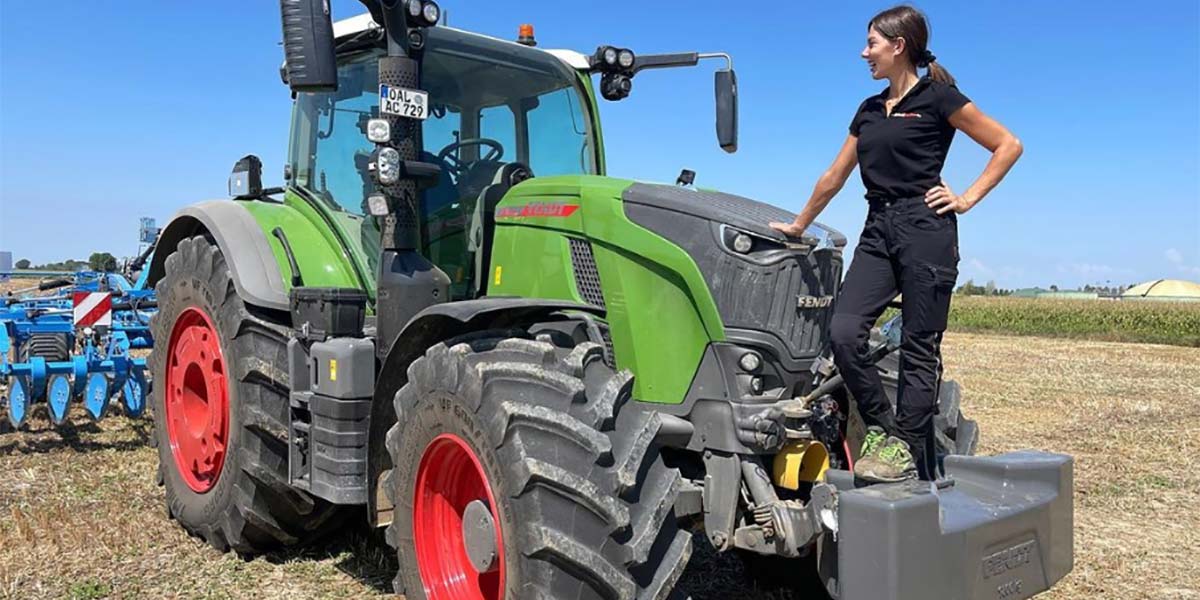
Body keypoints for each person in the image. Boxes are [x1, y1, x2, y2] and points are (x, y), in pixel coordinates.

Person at [769, 5, 1022, 482]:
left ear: (898, 45)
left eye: (872, 44)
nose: (865, 53)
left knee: (919, 345)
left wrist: (966, 198)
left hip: (926, 227)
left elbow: (1007, 144)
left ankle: (906, 444)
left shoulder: (939, 98)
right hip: (878, 227)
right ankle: (889, 431)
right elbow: (834, 176)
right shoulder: (868, 109)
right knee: (843, 332)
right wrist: (800, 225)